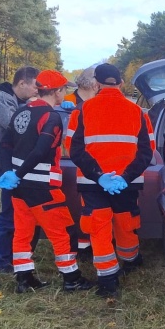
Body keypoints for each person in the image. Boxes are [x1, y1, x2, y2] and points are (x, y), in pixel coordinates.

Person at [0, 70, 94, 293]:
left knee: (23, 232)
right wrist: (17, 175)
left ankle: (24, 279)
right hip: (43, 187)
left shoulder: (21, 111)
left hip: (19, 189)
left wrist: (11, 173)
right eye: (64, 90)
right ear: (57, 91)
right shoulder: (52, 117)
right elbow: (40, 151)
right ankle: (72, 279)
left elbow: (4, 145)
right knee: (64, 231)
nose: (66, 94)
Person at [69, 63, 154, 298]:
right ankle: (131, 260)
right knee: (126, 222)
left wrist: (98, 175)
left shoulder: (82, 111)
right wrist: (126, 177)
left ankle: (108, 280)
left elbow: (73, 150)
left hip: (92, 182)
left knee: (99, 227)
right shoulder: (137, 112)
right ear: (121, 84)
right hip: (127, 182)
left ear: (96, 84)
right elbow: (147, 152)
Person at [0, 66, 40, 273]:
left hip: (23, 166)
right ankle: (1, 262)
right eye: (35, 86)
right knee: (9, 214)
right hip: (7, 167)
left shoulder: (20, 101)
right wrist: (36, 108)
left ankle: (20, 257)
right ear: (22, 83)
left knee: (27, 214)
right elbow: (16, 125)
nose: (37, 90)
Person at [61, 66, 100, 260]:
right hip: (73, 160)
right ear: (92, 83)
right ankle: (84, 246)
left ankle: (90, 243)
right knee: (82, 207)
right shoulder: (67, 102)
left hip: (92, 161)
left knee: (90, 207)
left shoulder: (97, 102)